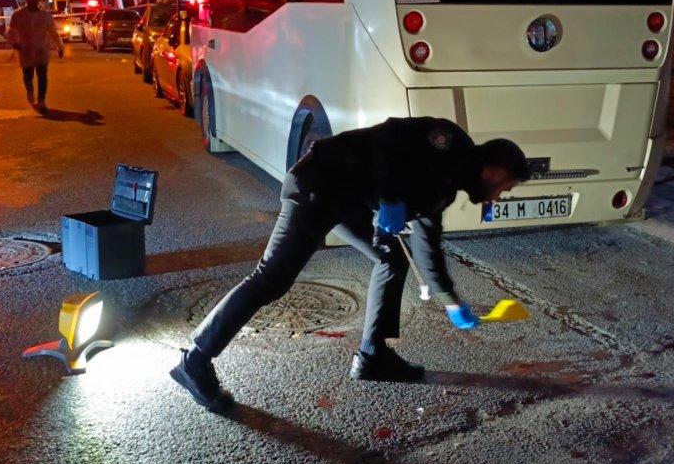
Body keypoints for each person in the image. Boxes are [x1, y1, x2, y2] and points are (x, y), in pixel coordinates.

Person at [170, 117, 532, 413]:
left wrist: (449, 298)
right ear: (494, 168)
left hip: (346, 200)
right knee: (271, 279)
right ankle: (195, 361)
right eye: (506, 187)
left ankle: (373, 356)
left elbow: (426, 241)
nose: (500, 196)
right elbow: (388, 140)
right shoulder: (448, 142)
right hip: (318, 183)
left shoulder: (446, 189)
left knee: (391, 258)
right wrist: (390, 199)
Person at [6, 0, 63, 113]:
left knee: (42, 74)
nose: (33, 0)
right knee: (28, 75)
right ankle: (30, 91)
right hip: (25, 50)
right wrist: (14, 42)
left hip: (41, 49)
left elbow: (53, 32)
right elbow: (12, 31)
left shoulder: (45, 15)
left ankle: (41, 100)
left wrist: (60, 46)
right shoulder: (18, 14)